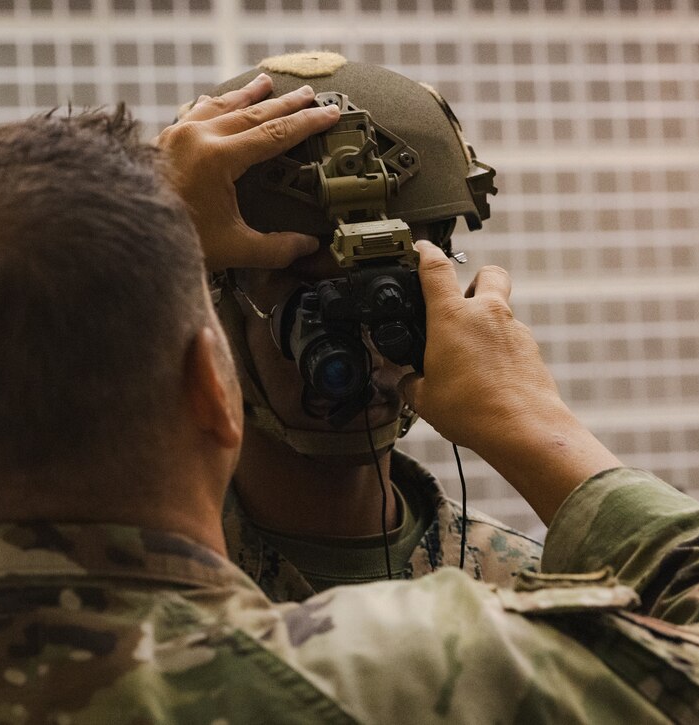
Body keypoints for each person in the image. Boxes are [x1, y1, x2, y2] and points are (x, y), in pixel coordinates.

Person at [0, 78, 699, 723]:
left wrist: (119, 244)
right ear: (210, 369)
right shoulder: (467, 662)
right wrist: (534, 426)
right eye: (302, 297)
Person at [193, 54, 541, 600]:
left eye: (392, 295)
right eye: (316, 305)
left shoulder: (519, 587)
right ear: (214, 302)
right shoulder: (137, 586)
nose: (370, 347)